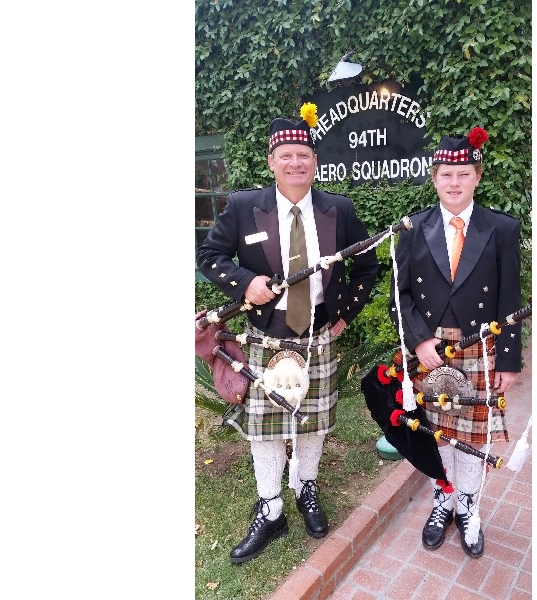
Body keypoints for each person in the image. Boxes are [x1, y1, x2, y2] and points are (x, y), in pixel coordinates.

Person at [196, 104, 379, 564]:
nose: (296, 163)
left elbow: (367, 267)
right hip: (267, 337)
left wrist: (345, 314)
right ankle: (271, 506)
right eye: (287, 156)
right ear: (271, 161)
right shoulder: (243, 207)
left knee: (313, 422)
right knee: (267, 428)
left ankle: (307, 488)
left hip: (319, 336)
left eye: (304, 155)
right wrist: (244, 282)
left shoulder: (338, 209)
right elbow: (210, 256)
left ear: (314, 162)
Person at [389, 127, 523, 558]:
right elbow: (400, 296)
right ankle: (442, 497)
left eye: (462, 173)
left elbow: (509, 299)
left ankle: (468, 506)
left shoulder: (501, 229)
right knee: (434, 433)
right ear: (433, 177)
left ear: (477, 176)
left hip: (479, 346)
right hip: (429, 350)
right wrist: (419, 340)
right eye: (446, 173)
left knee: (472, 437)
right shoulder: (412, 228)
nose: (454, 182)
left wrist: (509, 358)